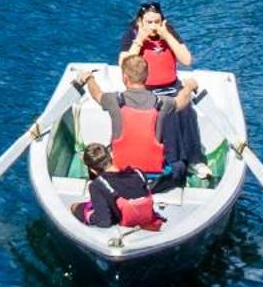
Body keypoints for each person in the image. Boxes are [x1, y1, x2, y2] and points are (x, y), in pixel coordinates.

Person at [77, 49, 203, 187]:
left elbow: (96, 94)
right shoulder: (162, 103)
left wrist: (89, 78)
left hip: (121, 173)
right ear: (147, 76)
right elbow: (181, 101)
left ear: (125, 78)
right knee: (179, 165)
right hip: (154, 180)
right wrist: (189, 87)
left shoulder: (113, 100)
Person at [72, 141, 162, 230]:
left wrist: (87, 216)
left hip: (125, 223)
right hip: (146, 218)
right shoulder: (138, 173)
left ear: (92, 170)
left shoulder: (96, 186)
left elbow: (104, 221)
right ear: (111, 157)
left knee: (74, 207)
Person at [119, 1, 195, 107]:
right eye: (149, 22)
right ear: (140, 22)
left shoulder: (168, 32)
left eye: (157, 22)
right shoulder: (132, 34)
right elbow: (123, 65)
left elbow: (186, 60)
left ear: (162, 22)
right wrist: (139, 41)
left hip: (172, 89)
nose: (154, 27)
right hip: (145, 91)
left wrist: (167, 36)